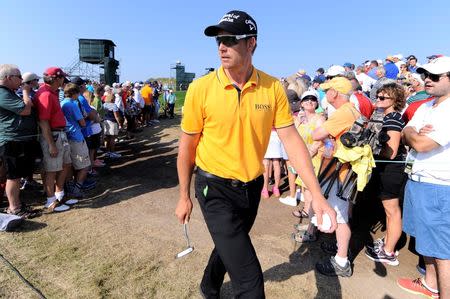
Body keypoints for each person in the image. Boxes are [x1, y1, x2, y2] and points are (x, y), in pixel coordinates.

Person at [174, 10, 337, 298]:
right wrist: (184, 196)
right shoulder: (200, 88)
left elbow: (292, 140)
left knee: (229, 247)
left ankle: (208, 286)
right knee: (249, 282)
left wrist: (318, 194)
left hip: (250, 188)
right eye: (218, 40)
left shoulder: (272, 87)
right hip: (213, 188)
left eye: (229, 39)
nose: (221, 46)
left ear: (251, 44)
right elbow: (186, 147)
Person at [398, 56, 450, 299]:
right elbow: (405, 131)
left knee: (442, 250)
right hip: (419, 180)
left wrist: (412, 134)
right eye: (425, 75)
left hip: (439, 185)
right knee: (427, 241)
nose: (427, 80)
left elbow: (420, 143)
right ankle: (431, 285)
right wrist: (411, 132)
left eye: (435, 76)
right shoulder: (427, 106)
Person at [312, 76, 361, 277]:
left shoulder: (342, 113)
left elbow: (317, 134)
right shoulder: (352, 110)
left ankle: (341, 261)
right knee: (340, 214)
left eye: (327, 90)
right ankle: (341, 248)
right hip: (344, 170)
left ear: (334, 93)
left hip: (339, 172)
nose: (325, 93)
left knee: (340, 218)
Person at [364, 83, 407, 266]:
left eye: (383, 97)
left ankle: (388, 252)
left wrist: (368, 151)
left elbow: (392, 151)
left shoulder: (393, 119)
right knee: (390, 211)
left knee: (392, 211)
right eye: (378, 96)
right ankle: (388, 244)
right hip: (389, 169)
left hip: (391, 169)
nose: (378, 99)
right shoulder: (390, 117)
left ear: (394, 100)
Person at [0, 64, 37, 218]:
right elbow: (26, 109)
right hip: (11, 140)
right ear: (8, 78)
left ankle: (17, 204)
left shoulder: (9, 92)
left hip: (17, 140)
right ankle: (14, 208)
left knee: (15, 175)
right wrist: (26, 92)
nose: (22, 81)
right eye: (19, 77)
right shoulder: (2, 93)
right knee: (13, 176)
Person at [35, 67, 71, 212]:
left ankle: (58, 194)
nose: (64, 80)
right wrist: (51, 144)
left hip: (59, 134)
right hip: (54, 135)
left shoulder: (51, 93)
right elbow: (43, 121)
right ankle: (50, 201)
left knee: (65, 164)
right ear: (57, 78)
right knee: (51, 170)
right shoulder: (46, 95)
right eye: (62, 77)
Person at [291, 90, 325, 243]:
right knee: (306, 192)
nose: (309, 101)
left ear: (317, 103)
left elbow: (320, 139)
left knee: (313, 194)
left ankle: (312, 231)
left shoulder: (319, 119)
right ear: (301, 102)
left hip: (314, 160)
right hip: (303, 160)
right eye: (306, 99)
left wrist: (310, 153)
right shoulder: (301, 118)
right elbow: (293, 135)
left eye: (313, 99)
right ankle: (311, 224)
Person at [60, 83, 90, 199]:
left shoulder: (62, 103)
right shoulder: (72, 104)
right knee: (84, 166)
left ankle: (69, 187)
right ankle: (76, 189)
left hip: (66, 136)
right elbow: (82, 122)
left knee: (69, 165)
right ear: (74, 93)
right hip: (76, 137)